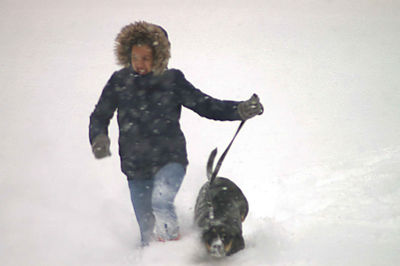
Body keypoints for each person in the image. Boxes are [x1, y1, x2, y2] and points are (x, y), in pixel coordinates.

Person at [89, 21, 263, 246]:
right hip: (135, 165)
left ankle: (172, 253)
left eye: (146, 58)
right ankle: (152, 257)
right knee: (147, 231)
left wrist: (238, 110)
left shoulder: (172, 81)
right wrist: (98, 137)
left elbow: (205, 105)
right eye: (134, 57)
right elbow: (100, 115)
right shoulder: (119, 82)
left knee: (161, 202)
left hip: (170, 159)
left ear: (159, 57)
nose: (139, 64)